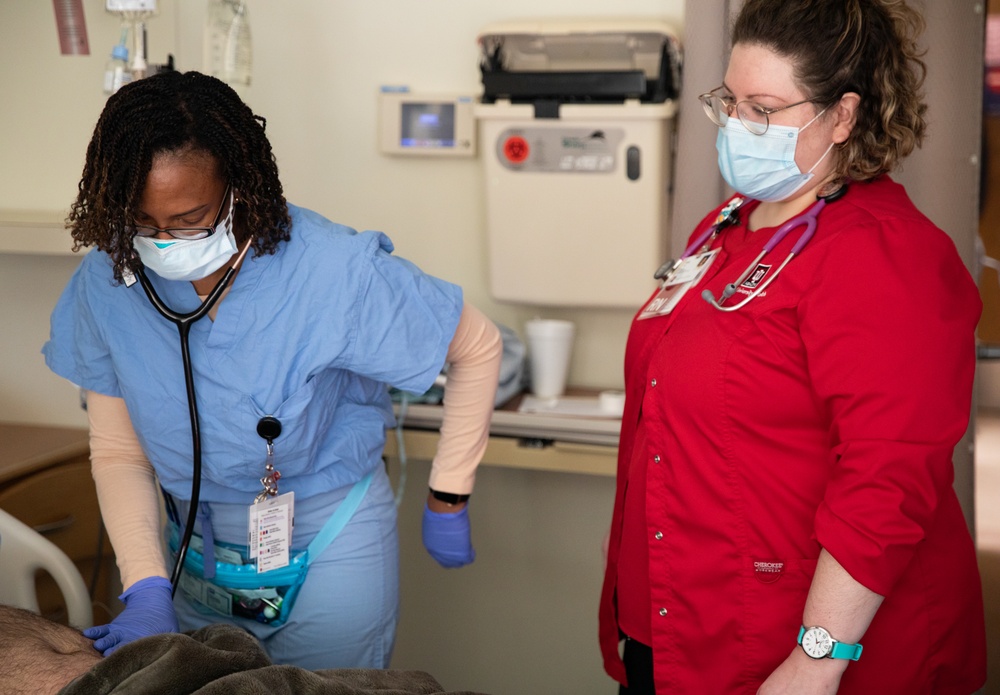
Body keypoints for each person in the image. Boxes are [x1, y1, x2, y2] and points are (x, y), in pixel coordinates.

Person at [43, 70, 502, 670]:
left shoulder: (332, 270)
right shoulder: (107, 283)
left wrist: (449, 493)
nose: (163, 240)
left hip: (328, 538)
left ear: (239, 186)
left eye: (190, 218)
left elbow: (476, 344)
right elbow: (121, 453)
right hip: (189, 545)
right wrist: (147, 585)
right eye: (142, 220)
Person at [598, 1, 987, 693]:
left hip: (790, 648)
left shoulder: (884, 255)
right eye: (731, 101)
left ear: (842, 115)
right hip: (679, 619)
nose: (739, 126)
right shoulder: (726, 228)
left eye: (765, 108)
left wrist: (816, 658)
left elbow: (886, 479)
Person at [0, 604, 489, 695]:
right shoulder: (115, 326)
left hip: (332, 518)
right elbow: (118, 452)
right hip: (202, 537)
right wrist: (149, 582)